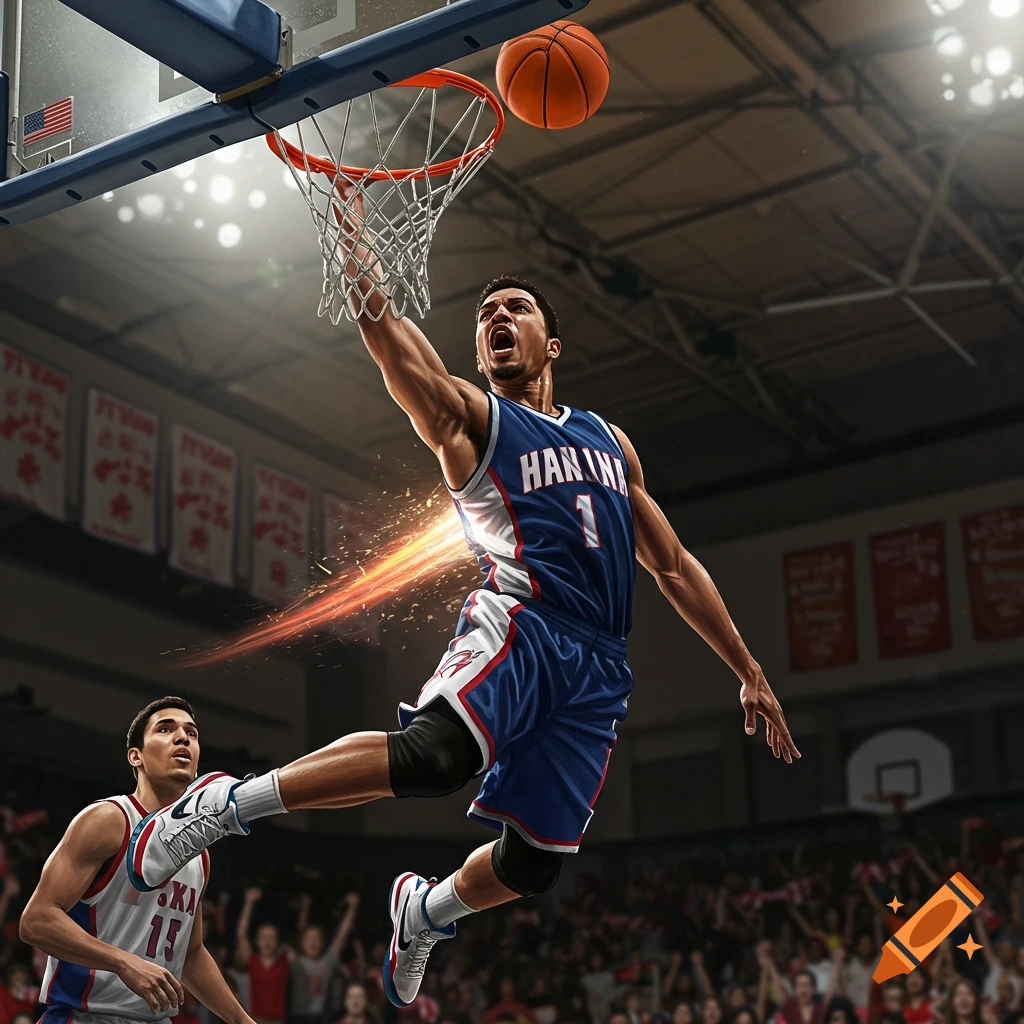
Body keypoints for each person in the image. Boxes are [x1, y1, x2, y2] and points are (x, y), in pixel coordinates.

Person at [128, 248, 800, 1009]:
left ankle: (424, 911)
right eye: (485, 316)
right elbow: (392, 348)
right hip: (523, 621)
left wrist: (749, 668)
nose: (497, 318)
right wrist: (360, 271)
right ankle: (227, 806)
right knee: (432, 757)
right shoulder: (474, 419)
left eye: (515, 308)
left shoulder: (612, 444)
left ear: (551, 344)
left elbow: (673, 565)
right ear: (481, 353)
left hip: (600, 664)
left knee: (536, 864)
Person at [18, 697, 258, 1024]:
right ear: (137, 756)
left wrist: (243, 1021)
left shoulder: (198, 852)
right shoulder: (109, 820)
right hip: (86, 1016)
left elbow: (190, 954)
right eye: (165, 729)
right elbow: (36, 921)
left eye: (192, 733)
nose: (183, 737)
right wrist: (123, 962)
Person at [291, 892, 361, 1024]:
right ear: (302, 943)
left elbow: (341, 935)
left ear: (322, 943)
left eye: (317, 939)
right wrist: (304, 908)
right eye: (309, 939)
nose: (313, 942)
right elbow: (300, 929)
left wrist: (352, 908)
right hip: (297, 1018)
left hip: (321, 1018)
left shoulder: (327, 962)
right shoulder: (295, 962)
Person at [233, 890, 288, 1024]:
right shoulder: (253, 961)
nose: (267, 941)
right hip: (256, 1020)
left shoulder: (285, 961)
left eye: (271, 938)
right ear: (257, 941)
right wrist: (248, 903)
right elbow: (241, 936)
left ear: (277, 941)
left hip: (279, 1021)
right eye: (263, 937)